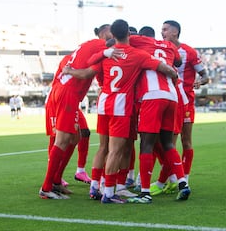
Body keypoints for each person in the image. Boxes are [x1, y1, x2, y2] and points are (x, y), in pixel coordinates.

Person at [63, 19, 178, 204]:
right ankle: (109, 192)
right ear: (129, 34)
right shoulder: (138, 54)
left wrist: (100, 54)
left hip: (104, 102)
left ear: (113, 35)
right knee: (117, 150)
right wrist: (173, 74)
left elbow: (89, 66)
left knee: (103, 147)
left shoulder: (107, 55)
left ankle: (95, 186)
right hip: (121, 105)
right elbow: (162, 67)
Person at [39, 24, 114, 199]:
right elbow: (88, 72)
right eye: (112, 34)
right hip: (68, 93)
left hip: (67, 92)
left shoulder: (86, 48)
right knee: (62, 139)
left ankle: (56, 181)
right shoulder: (100, 45)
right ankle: (46, 187)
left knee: (75, 136)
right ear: (104, 34)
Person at [126, 26, 189, 203]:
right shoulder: (168, 45)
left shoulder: (138, 41)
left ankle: (145, 193)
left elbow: (118, 41)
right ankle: (183, 183)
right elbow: (177, 61)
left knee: (147, 144)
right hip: (171, 96)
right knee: (168, 143)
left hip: (152, 95)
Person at [161, 20, 209, 190]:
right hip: (168, 100)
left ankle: (184, 178)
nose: (162, 32)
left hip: (186, 101)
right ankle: (172, 178)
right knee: (167, 142)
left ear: (175, 32)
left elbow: (205, 76)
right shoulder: (161, 49)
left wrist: (199, 82)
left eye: (165, 29)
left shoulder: (188, 51)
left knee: (185, 141)